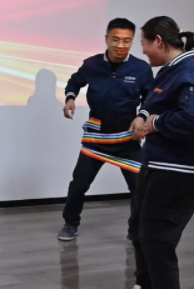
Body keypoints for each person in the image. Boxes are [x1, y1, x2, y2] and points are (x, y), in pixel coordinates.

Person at [128, 17, 194, 289]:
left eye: (143, 43)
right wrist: (143, 115)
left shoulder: (193, 73)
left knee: (157, 240)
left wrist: (154, 123)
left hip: (179, 170)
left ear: (158, 41)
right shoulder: (169, 70)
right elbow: (154, 100)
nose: (142, 50)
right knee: (138, 231)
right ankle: (145, 285)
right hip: (156, 163)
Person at [58, 18, 154, 241]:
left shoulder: (141, 69)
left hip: (127, 138)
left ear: (132, 41)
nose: (120, 45)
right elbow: (74, 82)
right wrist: (70, 98)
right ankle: (70, 223)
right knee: (78, 184)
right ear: (106, 39)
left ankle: (136, 230)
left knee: (140, 187)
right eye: (115, 40)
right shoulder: (92, 64)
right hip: (97, 138)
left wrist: (142, 116)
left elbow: (150, 98)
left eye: (126, 41)